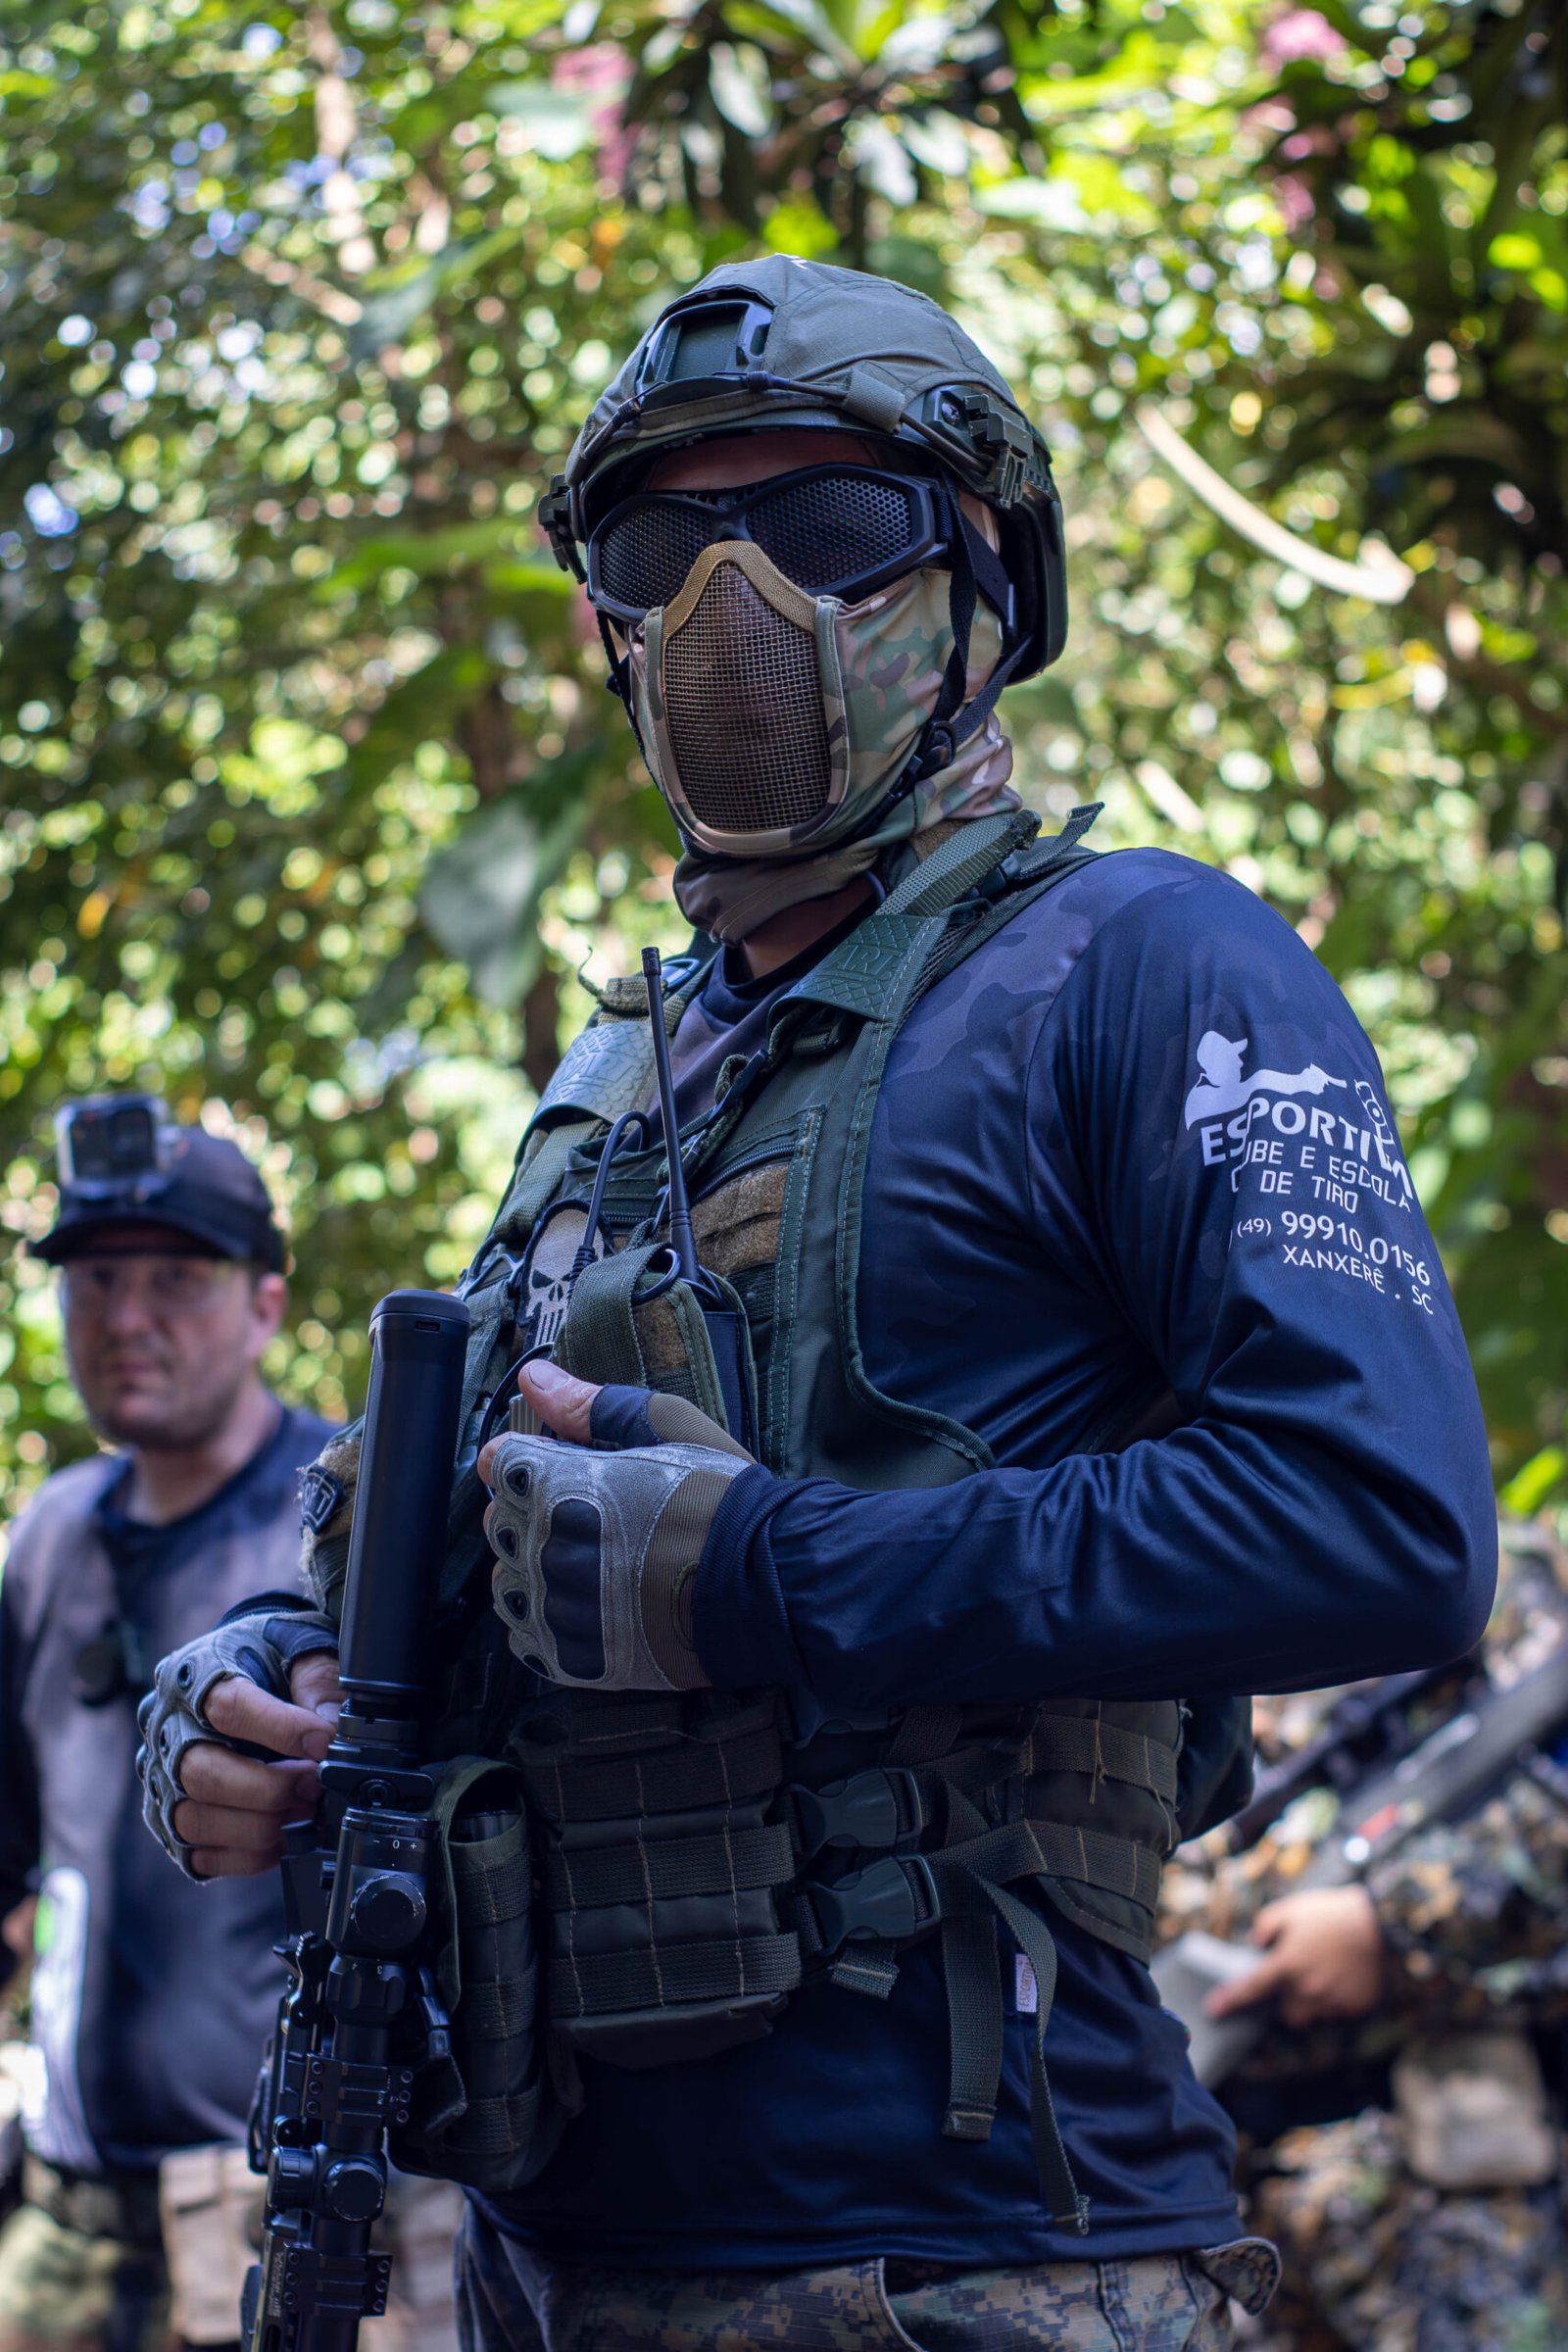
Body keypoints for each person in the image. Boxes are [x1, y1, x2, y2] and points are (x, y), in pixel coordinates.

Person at [142, 261, 1496, 2352]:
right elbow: (492, 1563)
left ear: (985, 580)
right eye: (657, 548)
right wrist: (263, 1680)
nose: (730, 602)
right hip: (544, 2260)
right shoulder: (615, 1082)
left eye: (826, 526)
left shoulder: (1140, 965)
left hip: (973, 2271)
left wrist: (768, 1571)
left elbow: (1383, 1524)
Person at [1183, 1520, 1568, 2352]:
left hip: (1427, 2184)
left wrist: (1387, 1928)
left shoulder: (1500, 1578)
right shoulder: (1217, 1576)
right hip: (1224, 2202)